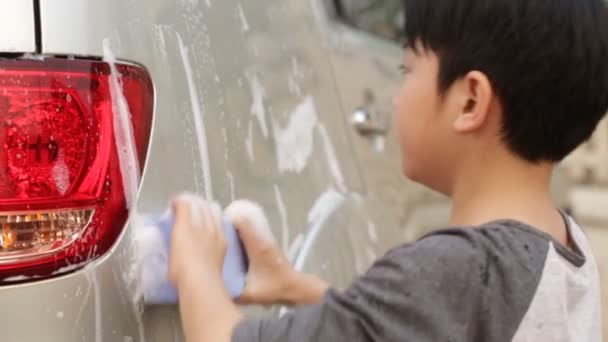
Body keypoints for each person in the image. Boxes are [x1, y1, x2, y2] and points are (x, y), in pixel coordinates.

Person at [168, 0, 608, 340]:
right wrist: (294, 286)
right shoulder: (565, 251)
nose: (395, 98)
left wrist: (196, 269)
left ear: (470, 100)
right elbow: (421, 323)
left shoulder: (457, 268)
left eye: (407, 69)